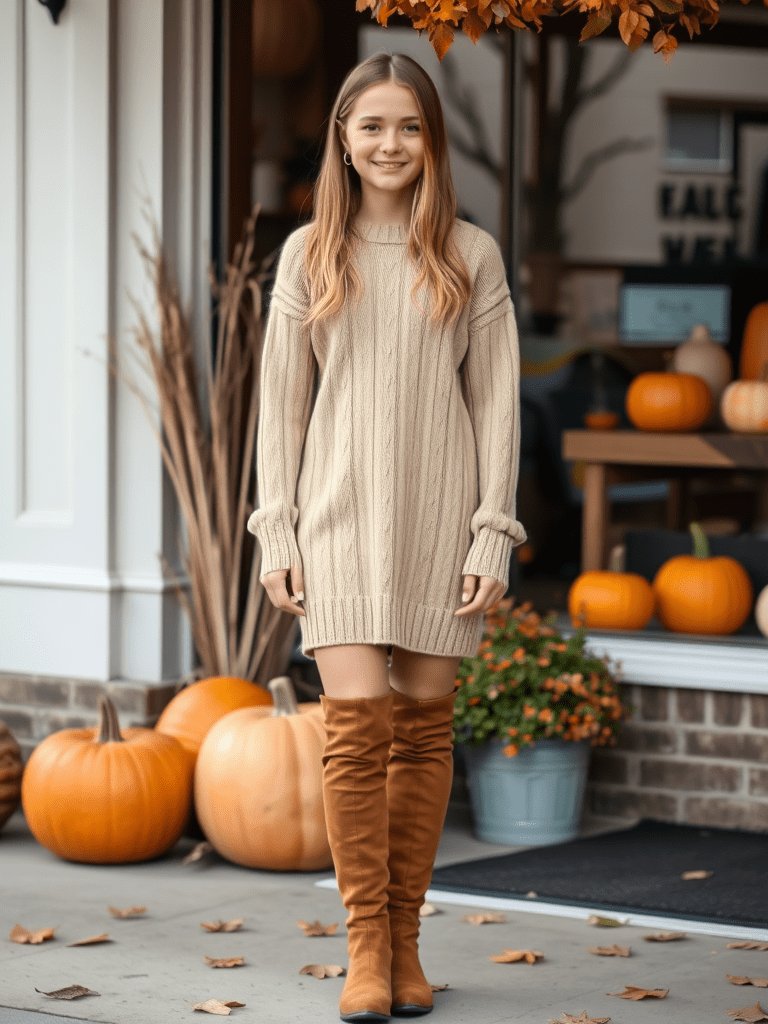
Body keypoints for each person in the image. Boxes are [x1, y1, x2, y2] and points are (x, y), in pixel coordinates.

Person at [247, 51, 526, 1023]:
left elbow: (496, 404)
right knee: (355, 737)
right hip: (335, 518)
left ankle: (408, 944)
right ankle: (366, 947)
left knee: (423, 733)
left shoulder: (471, 254)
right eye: (372, 126)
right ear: (343, 137)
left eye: (409, 127)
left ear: (432, 141)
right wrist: (275, 525)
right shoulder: (307, 254)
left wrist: (492, 534)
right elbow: (279, 408)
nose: (391, 144)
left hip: (442, 524)